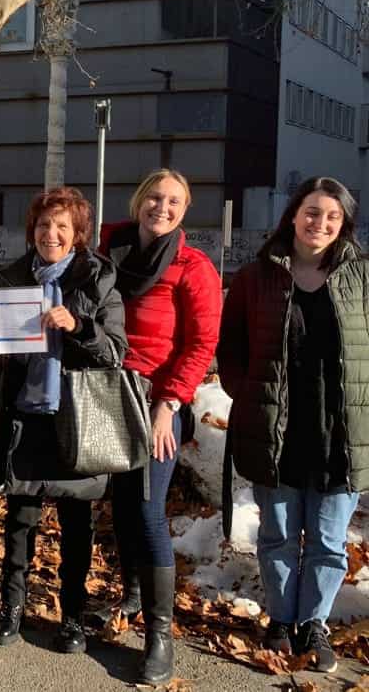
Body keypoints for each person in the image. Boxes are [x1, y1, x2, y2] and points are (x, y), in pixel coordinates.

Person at [218, 177, 368, 675]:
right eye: (311, 212)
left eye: (331, 216)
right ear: (293, 216)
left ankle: (314, 623)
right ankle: (281, 621)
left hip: (340, 434)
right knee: (279, 535)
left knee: (327, 539)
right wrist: (248, 396)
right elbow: (231, 346)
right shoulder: (257, 276)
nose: (319, 224)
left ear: (343, 223)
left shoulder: (361, 276)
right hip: (275, 430)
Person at [0, 187, 127, 650]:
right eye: (43, 225)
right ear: (32, 231)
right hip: (24, 416)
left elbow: (116, 353)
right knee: (20, 520)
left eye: (61, 226)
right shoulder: (14, 277)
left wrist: (78, 326)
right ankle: (11, 608)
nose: (50, 234)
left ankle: (72, 616)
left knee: (77, 526)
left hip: (76, 420)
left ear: (78, 234)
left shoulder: (99, 280)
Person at [100, 169, 222, 684]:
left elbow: (201, 344)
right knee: (122, 506)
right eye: (154, 197)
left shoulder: (193, 267)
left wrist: (169, 404)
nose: (162, 207)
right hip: (105, 398)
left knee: (149, 511)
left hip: (157, 404)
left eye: (174, 201)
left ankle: (159, 635)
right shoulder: (109, 250)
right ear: (139, 198)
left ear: (185, 209)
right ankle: (131, 595)